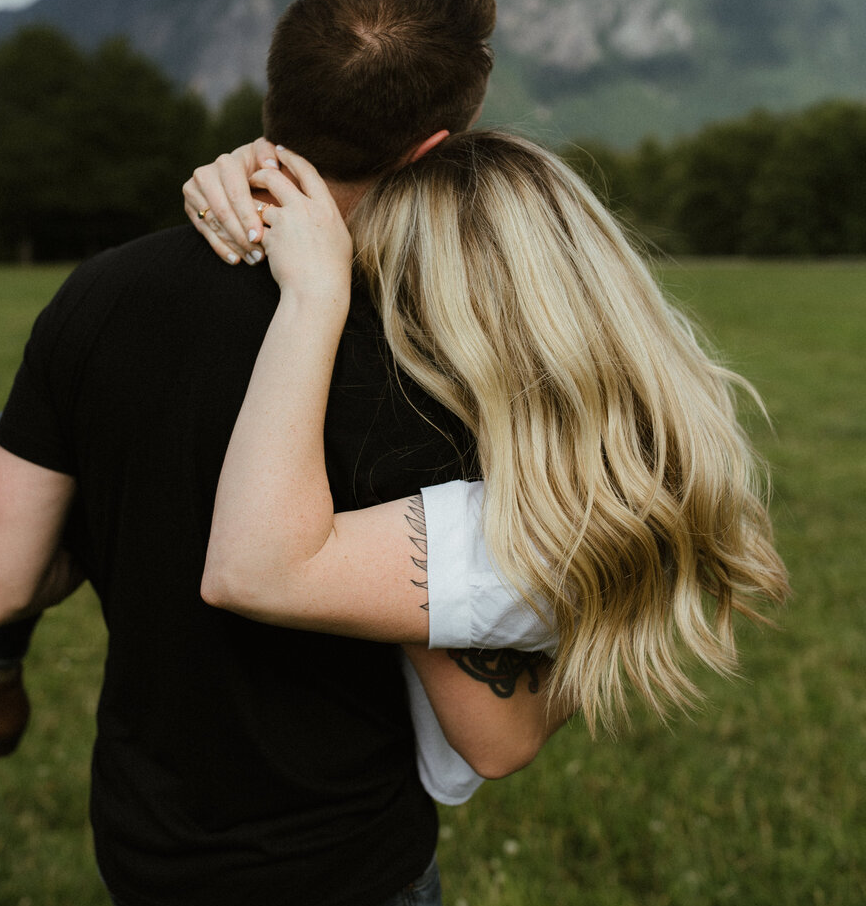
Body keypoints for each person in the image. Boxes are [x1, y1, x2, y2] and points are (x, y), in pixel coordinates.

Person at [0, 0, 532, 906]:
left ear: (272, 105)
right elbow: (485, 728)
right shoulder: (421, 362)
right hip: (326, 886)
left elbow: (2, 581)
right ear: (431, 155)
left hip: (145, 849)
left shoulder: (100, 292)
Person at [190, 135, 788, 801]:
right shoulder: (633, 468)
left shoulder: (496, 532)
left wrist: (316, 293)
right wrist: (248, 174)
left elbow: (496, 739)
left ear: (457, 330)